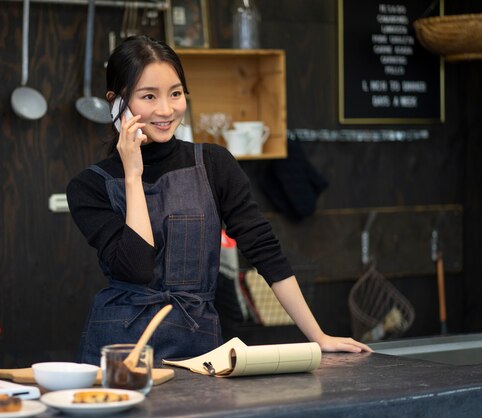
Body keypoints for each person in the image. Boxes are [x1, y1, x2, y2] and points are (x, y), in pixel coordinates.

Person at [67, 35, 371, 365]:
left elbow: (263, 248)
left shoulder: (214, 163)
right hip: (118, 349)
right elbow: (138, 268)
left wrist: (318, 337)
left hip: (197, 343)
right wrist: (132, 175)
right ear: (116, 102)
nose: (166, 109)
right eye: (148, 96)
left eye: (175, 93)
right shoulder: (88, 187)